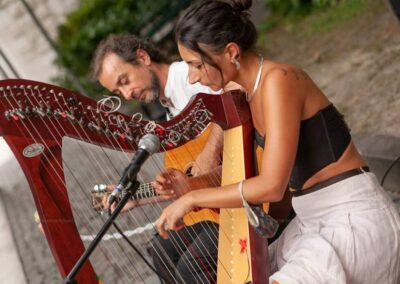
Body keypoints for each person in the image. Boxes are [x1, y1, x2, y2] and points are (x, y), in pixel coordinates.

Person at [154, 1, 400, 283]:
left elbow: (271, 186)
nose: (192, 76)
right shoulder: (247, 93)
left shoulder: (278, 81)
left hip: (351, 222)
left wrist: (193, 198)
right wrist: (192, 185)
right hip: (311, 224)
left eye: (196, 64)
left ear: (231, 52)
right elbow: (269, 187)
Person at [90, 34, 226, 283]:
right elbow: (190, 179)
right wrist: (135, 197)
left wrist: (211, 151)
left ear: (142, 58)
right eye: (118, 91)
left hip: (245, 191)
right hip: (217, 201)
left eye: (125, 81)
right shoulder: (168, 107)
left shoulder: (189, 77)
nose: (127, 94)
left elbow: (233, 99)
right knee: (162, 252)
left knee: (190, 267)